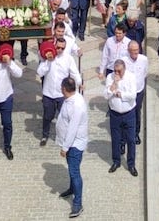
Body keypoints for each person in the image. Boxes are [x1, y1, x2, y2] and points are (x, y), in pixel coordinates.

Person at [37, 36, 82, 146]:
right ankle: (45, 135)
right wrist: (48, 61)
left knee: (65, 116)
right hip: (48, 93)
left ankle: (66, 136)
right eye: (58, 47)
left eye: (63, 48)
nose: (60, 50)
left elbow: (74, 73)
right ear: (54, 45)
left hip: (62, 94)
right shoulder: (47, 56)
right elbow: (40, 72)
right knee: (47, 116)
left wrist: (80, 83)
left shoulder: (68, 58)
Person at [57, 76, 88, 219]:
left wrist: (65, 147)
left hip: (74, 144)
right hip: (71, 143)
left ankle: (78, 203)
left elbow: (72, 129)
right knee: (71, 168)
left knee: (75, 172)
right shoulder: (71, 99)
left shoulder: (76, 105)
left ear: (64, 89)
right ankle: (71, 188)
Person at [104, 59, 138, 176]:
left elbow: (132, 95)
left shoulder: (131, 77)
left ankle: (131, 164)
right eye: (115, 70)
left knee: (131, 140)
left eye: (119, 71)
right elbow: (106, 95)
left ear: (124, 69)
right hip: (115, 113)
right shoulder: (110, 77)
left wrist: (120, 94)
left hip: (128, 113)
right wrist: (114, 84)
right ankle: (116, 161)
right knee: (116, 139)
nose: (117, 73)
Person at [121, 41, 148, 145]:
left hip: (138, 90)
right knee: (126, 112)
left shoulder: (143, 59)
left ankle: (136, 133)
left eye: (137, 50)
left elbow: (144, 73)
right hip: (127, 92)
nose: (135, 53)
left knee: (137, 112)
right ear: (128, 51)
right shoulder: (124, 60)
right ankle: (124, 137)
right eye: (133, 51)